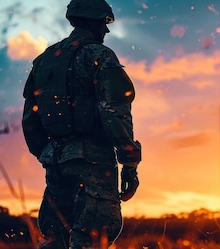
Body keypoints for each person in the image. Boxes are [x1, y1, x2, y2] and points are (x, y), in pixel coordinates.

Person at [21, 0, 141, 248]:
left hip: (55, 160)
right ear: (95, 22)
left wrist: (51, 153)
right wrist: (129, 162)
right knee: (94, 237)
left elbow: (30, 119)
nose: (106, 31)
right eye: (104, 24)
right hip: (93, 162)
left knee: (55, 239)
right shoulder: (99, 56)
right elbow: (115, 113)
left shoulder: (44, 60)